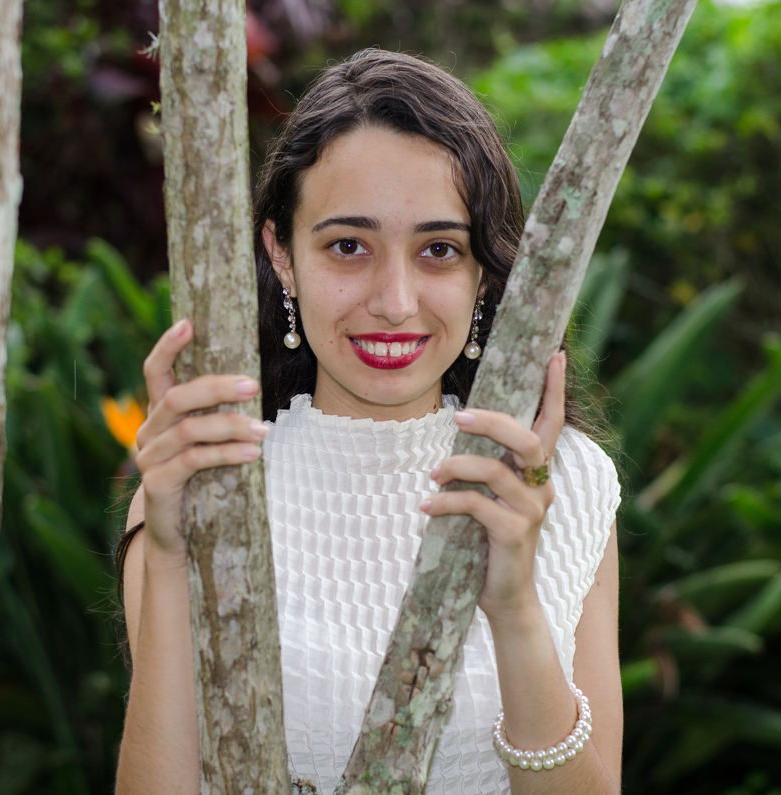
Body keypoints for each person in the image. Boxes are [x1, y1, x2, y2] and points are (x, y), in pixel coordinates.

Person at [114, 49, 623, 794]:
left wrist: (514, 608)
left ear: (484, 268)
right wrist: (165, 552)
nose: (394, 299)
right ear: (281, 253)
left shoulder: (564, 482)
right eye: (348, 246)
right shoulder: (206, 485)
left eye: (439, 249)